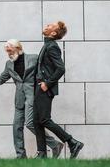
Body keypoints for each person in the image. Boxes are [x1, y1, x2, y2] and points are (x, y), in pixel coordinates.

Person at [0, 39, 63, 159]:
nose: (9, 54)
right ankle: (20, 155)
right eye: (7, 52)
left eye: (10, 51)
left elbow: (44, 71)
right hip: (19, 99)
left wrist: (47, 84)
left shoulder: (33, 58)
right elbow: (0, 79)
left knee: (30, 123)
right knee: (16, 127)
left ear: (17, 48)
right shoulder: (9, 64)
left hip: (32, 96)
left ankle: (54, 144)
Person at [34, 21, 84, 159]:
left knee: (44, 119)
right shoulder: (47, 45)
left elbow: (61, 68)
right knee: (36, 121)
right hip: (39, 87)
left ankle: (72, 142)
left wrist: (47, 84)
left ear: (54, 33)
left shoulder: (52, 47)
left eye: (50, 25)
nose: (47, 25)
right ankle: (42, 153)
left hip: (44, 88)